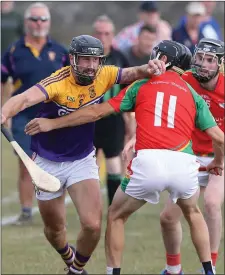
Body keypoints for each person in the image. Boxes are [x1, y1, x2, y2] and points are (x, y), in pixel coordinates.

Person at [23, 40, 224, 275]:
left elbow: (97, 112)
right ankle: (207, 270)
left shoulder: (141, 85)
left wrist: (53, 123)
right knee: (194, 213)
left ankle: (114, 272)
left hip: (149, 161)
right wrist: (218, 162)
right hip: (184, 162)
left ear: (164, 60)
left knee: (117, 216)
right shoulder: (191, 91)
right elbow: (219, 138)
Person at [1, 34, 164, 274]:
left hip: (82, 159)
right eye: (84, 59)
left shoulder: (105, 74)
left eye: (94, 60)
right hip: (46, 161)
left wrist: (149, 67)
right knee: (55, 230)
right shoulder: (57, 82)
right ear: (72, 60)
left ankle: (76, 270)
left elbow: (131, 73)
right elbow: (24, 98)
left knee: (93, 225)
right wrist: (4, 112)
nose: (89, 65)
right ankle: (68, 258)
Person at [159, 38, 224, 275]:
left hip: (221, 156)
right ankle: (173, 269)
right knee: (167, 217)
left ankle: (211, 267)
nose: (203, 65)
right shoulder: (184, 80)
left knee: (211, 203)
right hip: (189, 157)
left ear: (221, 64)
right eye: (199, 58)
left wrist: (220, 160)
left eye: (210, 60)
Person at [1, 2, 70, 225]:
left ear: (49, 23)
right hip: (23, 117)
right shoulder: (13, 51)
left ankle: (57, 209)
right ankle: (26, 212)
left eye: (43, 20)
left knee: (58, 164)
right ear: (26, 22)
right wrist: (5, 110)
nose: (39, 24)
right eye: (34, 19)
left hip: (55, 117)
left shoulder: (60, 52)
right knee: (26, 163)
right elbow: (4, 82)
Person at [92, 15, 133, 205]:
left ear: (113, 35)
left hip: (112, 118)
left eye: (107, 33)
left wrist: (130, 121)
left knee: (113, 163)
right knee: (86, 164)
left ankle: (113, 206)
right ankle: (89, 205)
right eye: (99, 33)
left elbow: (130, 90)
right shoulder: (84, 58)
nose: (103, 37)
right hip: (88, 118)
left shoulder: (120, 58)